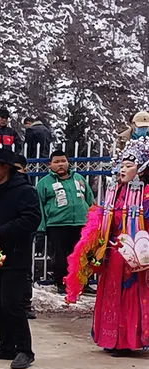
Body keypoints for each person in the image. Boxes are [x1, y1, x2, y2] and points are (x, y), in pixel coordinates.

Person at [66, 137, 149, 355]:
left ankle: (127, 340)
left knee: (131, 293)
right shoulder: (116, 192)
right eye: (121, 165)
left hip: (135, 253)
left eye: (129, 166)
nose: (122, 170)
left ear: (141, 170)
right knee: (112, 293)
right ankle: (111, 337)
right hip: (113, 251)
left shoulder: (146, 194)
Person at [0, 147, 42, 369]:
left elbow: (32, 219)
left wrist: (2, 231)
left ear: (5, 167)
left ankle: (25, 350)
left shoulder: (24, 191)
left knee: (12, 304)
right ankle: (6, 346)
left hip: (15, 256)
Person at [36, 150, 94, 293]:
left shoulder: (79, 178)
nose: (60, 164)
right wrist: (41, 228)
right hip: (57, 225)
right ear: (50, 165)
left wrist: (93, 221)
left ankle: (83, 283)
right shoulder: (44, 183)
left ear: (68, 163)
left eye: (63, 161)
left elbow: (90, 199)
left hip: (81, 224)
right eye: (56, 162)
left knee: (83, 255)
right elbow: (39, 207)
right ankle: (61, 283)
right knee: (60, 257)